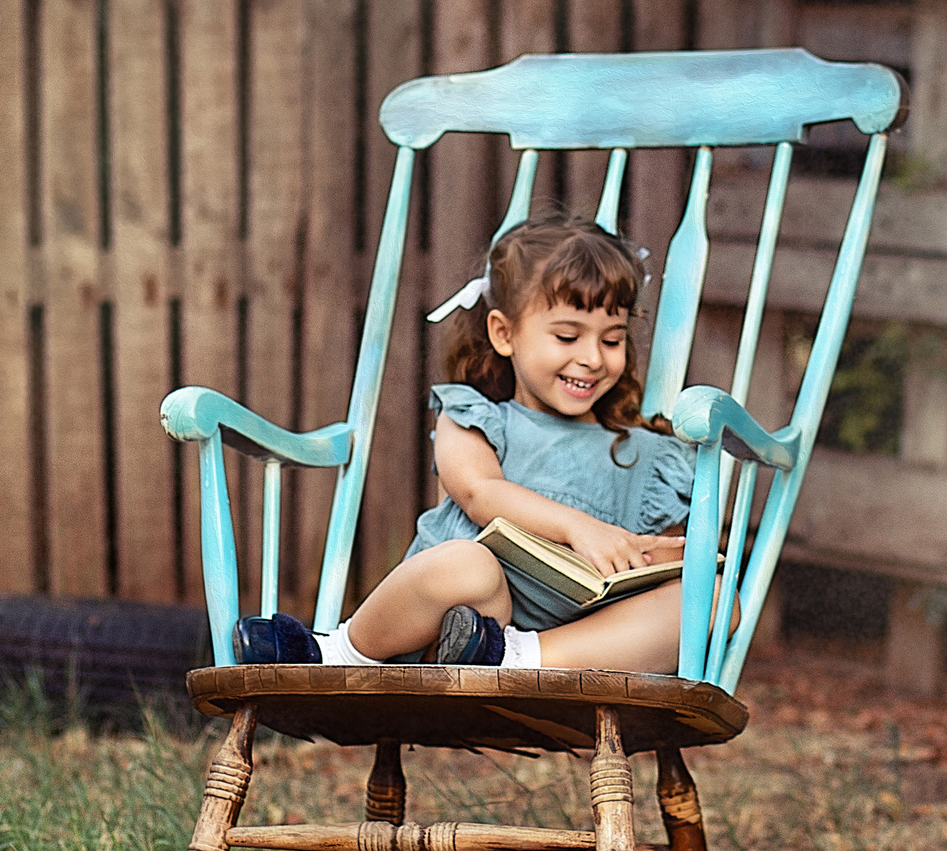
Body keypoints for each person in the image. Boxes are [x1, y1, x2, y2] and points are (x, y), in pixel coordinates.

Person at [233, 209, 695, 671]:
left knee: (709, 601)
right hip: (462, 619)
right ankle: (340, 652)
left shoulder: (648, 457)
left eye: (612, 340)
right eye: (568, 336)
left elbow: (654, 566)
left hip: (568, 645)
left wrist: (649, 552)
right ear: (504, 333)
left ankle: (518, 659)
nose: (593, 358)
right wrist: (581, 527)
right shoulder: (478, 417)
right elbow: (479, 492)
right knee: (468, 565)